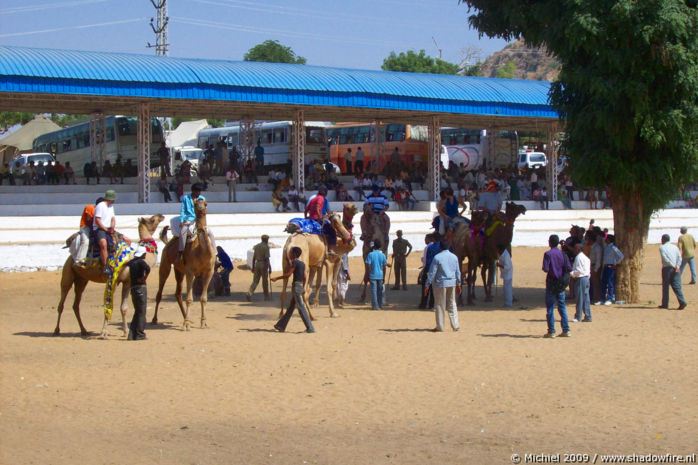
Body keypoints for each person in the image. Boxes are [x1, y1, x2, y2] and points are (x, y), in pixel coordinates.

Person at [271, 246, 314, 333]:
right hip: (300, 286)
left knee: (301, 307)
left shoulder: (294, 262)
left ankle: (310, 328)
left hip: (296, 287)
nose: (289, 254)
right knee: (291, 308)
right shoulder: (302, 264)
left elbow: (288, 275)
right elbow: (305, 277)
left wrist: (277, 278)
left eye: (290, 252)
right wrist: (304, 287)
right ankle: (281, 326)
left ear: (294, 254)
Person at [424, 241, 461, 332]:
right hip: (452, 282)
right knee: (452, 304)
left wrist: (427, 284)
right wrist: (459, 284)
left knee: (440, 305)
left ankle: (440, 326)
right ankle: (455, 325)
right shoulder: (454, 257)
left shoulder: (437, 258)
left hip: (440, 283)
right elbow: (458, 272)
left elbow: (432, 272)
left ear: (440, 248)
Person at [542, 234, 571, 338]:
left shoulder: (548, 254)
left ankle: (551, 331)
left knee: (550, 307)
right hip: (561, 283)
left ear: (549, 242)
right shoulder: (563, 254)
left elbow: (545, 268)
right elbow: (568, 267)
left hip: (551, 282)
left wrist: (552, 269)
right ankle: (566, 329)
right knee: (562, 306)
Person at [177, 183, 206, 264]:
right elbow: (183, 210)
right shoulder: (186, 198)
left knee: (210, 233)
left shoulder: (202, 199)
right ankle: (180, 252)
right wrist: (182, 221)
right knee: (183, 231)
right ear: (193, 191)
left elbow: (204, 211)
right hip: (189, 219)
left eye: (200, 191)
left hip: (199, 220)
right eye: (198, 191)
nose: (199, 193)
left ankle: (215, 253)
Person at [93, 190, 121, 275]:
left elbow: (113, 218)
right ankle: (105, 266)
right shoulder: (100, 206)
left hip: (108, 228)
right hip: (99, 229)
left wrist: (112, 227)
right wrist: (105, 229)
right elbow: (97, 220)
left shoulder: (111, 206)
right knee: (103, 244)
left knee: (121, 241)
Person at [658, 234, 688, 310]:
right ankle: (682, 301)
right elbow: (679, 257)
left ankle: (665, 304)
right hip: (676, 269)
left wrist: (673, 265)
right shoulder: (675, 247)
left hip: (667, 268)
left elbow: (665, 258)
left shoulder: (662, 247)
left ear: (663, 240)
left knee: (666, 286)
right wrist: (677, 266)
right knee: (676, 285)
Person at [127, 246, 150, 341]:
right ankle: (140, 334)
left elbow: (124, 264)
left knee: (137, 311)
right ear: (143, 254)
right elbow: (148, 269)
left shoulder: (131, 262)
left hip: (132, 288)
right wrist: (144, 278)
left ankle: (131, 334)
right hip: (141, 287)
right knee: (141, 312)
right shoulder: (141, 262)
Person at [365, 240, 390, 310]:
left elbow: (368, 266)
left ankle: (375, 306)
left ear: (374, 246)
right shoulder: (382, 255)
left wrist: (368, 274)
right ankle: (380, 305)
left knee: (374, 291)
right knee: (380, 291)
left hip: (373, 275)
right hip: (380, 275)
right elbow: (384, 267)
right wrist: (384, 276)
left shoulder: (370, 254)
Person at [570, 243, 592, 322]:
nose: (574, 250)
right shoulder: (586, 258)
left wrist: (572, 274)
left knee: (579, 298)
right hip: (586, 278)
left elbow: (579, 271)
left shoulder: (578, 258)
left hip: (580, 279)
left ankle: (578, 316)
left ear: (578, 249)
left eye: (575, 248)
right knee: (586, 298)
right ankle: (588, 315)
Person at [600, 234, 624, 305]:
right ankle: (602, 298)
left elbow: (621, 256)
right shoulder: (606, 247)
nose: (605, 240)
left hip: (611, 266)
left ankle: (610, 298)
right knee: (603, 282)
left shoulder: (613, 247)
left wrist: (615, 263)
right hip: (605, 266)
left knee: (610, 282)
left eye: (607, 239)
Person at [247, 234, 271, 301]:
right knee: (265, 281)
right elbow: (267, 258)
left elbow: (254, 257)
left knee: (255, 281)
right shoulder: (266, 247)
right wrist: (269, 267)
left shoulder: (257, 246)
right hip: (263, 264)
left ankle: (249, 293)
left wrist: (253, 267)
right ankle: (266, 296)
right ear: (266, 240)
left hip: (257, 264)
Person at [419, 234, 439, 309]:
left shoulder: (429, 247)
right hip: (437, 270)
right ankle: (431, 304)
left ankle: (423, 304)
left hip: (429, 269)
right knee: (433, 289)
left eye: (426, 238)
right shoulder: (439, 246)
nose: (425, 240)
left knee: (426, 287)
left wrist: (426, 269)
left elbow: (426, 259)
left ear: (431, 239)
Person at [496, 243, 513, 307]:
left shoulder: (506, 256)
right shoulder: (502, 254)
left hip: (508, 273)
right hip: (505, 273)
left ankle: (509, 302)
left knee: (508, 288)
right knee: (505, 288)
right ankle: (507, 301)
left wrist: (499, 265)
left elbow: (507, 266)